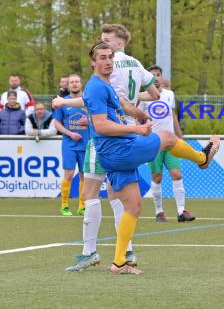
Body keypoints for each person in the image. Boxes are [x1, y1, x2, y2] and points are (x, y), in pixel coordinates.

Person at [80, 41, 220, 274]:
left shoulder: (105, 85)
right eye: (102, 58)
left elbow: (116, 113)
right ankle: (201, 159)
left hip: (116, 150)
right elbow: (102, 125)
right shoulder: (96, 87)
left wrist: (138, 114)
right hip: (118, 150)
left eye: (109, 57)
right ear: (93, 62)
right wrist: (135, 129)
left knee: (133, 206)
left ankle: (119, 263)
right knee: (166, 137)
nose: (107, 62)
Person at [58, 24, 161, 271]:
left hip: (107, 137)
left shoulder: (109, 69)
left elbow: (96, 97)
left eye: (106, 40)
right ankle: (127, 253)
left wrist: (65, 101)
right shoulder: (137, 65)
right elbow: (155, 94)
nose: (102, 44)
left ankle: (89, 252)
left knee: (90, 193)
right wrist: (134, 104)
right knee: (120, 197)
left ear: (118, 43)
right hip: (128, 135)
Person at [138, 65, 195, 222]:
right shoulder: (142, 96)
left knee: (177, 174)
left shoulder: (169, 94)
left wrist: (180, 136)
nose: (155, 78)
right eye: (152, 75)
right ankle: (159, 211)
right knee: (157, 177)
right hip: (154, 141)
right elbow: (138, 118)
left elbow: (173, 115)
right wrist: (139, 131)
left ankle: (181, 211)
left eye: (158, 75)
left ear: (162, 78)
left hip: (171, 141)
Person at [53, 74, 89, 216]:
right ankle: (65, 206)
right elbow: (56, 122)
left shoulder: (87, 101)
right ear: (67, 86)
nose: (74, 84)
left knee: (84, 176)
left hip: (86, 143)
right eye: (71, 82)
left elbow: (98, 119)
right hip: (69, 144)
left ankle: (82, 206)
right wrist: (70, 133)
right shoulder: (62, 102)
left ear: (81, 84)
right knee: (68, 174)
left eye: (77, 82)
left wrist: (89, 122)